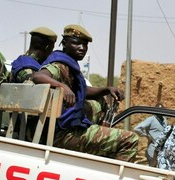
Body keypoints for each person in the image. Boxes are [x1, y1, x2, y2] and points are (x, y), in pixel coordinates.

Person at [31, 24, 139, 162]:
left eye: (85, 45)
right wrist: (62, 86)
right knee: (129, 140)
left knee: (99, 102)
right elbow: (39, 76)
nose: (82, 48)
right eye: (76, 43)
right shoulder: (59, 65)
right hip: (63, 134)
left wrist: (107, 89)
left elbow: (83, 91)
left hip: (68, 129)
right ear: (64, 43)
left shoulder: (71, 66)